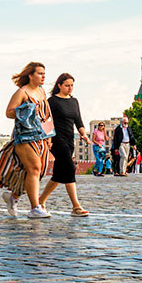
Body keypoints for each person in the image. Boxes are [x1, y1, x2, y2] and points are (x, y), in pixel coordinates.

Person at [0, 61, 53, 219]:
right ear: (30, 75)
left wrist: (50, 134)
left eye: (44, 73)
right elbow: (9, 112)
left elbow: (46, 113)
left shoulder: (41, 91)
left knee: (37, 172)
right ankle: (35, 208)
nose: (43, 76)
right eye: (39, 73)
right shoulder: (22, 92)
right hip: (25, 136)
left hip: (42, 137)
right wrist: (26, 109)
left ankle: (14, 197)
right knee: (34, 168)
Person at [37, 73, 91, 216]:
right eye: (67, 85)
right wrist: (48, 138)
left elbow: (78, 121)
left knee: (59, 174)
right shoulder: (52, 101)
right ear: (59, 85)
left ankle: (40, 200)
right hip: (56, 140)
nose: (70, 88)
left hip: (69, 140)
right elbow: (46, 121)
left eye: (72, 85)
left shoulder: (74, 101)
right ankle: (76, 206)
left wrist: (83, 134)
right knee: (69, 168)